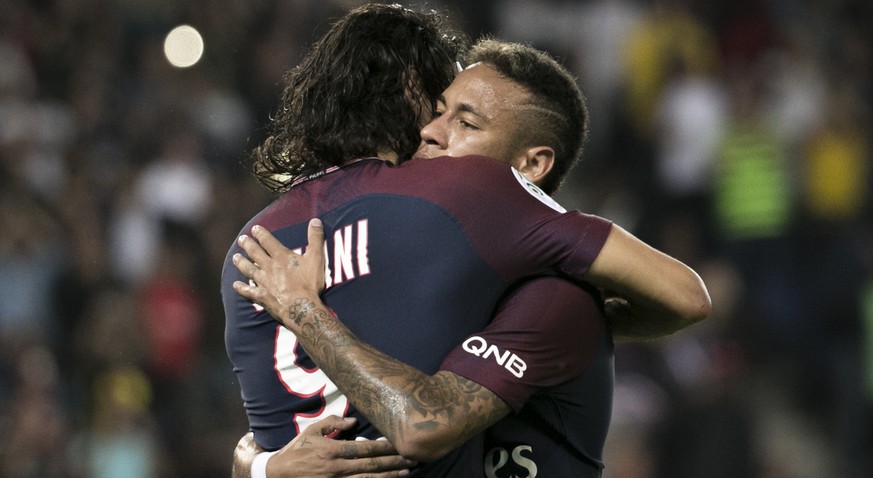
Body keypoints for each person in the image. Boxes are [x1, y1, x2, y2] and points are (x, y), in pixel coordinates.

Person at [222, 5, 710, 476]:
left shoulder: (248, 248)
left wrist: (304, 311)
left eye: (466, 122)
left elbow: (418, 424)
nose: (432, 132)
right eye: (438, 111)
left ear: (530, 167)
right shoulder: (446, 254)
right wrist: (262, 466)